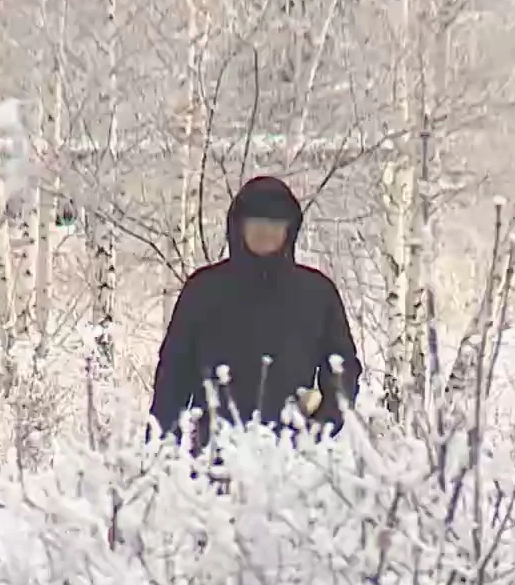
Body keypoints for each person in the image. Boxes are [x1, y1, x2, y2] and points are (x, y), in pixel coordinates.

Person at [149, 176, 362, 451]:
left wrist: (317, 429)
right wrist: (160, 451)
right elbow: (173, 378)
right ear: (239, 227)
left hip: (292, 459)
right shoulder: (203, 291)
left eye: (275, 223)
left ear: (290, 229)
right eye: (257, 223)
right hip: (213, 461)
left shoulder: (316, 294)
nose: (266, 232)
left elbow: (342, 371)